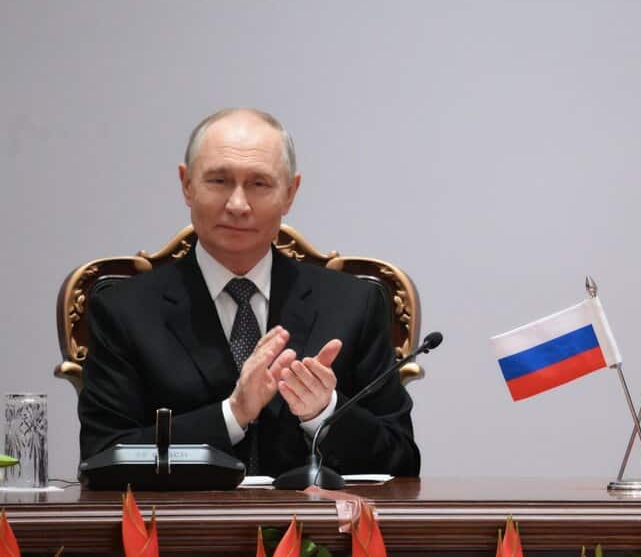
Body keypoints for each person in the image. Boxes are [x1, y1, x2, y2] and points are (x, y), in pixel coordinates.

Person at [78, 108, 420, 477]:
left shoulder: (353, 305)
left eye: (259, 184)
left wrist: (323, 412)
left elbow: (403, 462)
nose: (237, 205)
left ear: (290, 193)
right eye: (219, 180)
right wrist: (232, 414)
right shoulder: (124, 310)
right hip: (181, 532)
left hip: (315, 529)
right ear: (186, 184)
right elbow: (102, 460)